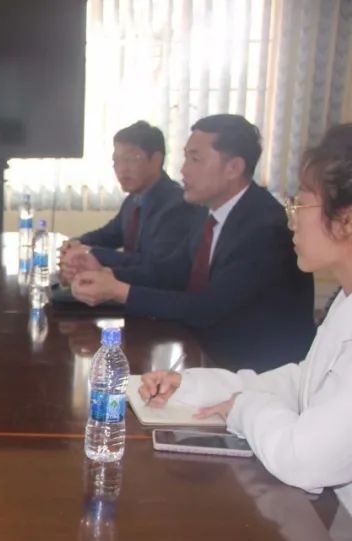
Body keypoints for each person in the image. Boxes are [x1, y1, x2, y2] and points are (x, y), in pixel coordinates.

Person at [139, 123, 352, 510]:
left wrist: (242, 408)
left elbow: (303, 460)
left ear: (346, 219)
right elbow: (304, 383)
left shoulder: (264, 229)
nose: (291, 217)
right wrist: (194, 386)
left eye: (301, 203)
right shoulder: (345, 301)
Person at [69, 114, 315, 372]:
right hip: (208, 355)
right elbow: (171, 271)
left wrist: (119, 291)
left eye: (195, 159)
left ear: (233, 168)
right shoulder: (205, 212)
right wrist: (105, 272)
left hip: (258, 372)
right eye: (186, 158)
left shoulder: (265, 228)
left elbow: (207, 307)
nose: (183, 170)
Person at [59, 120, 198, 277]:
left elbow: (153, 266)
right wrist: (75, 243)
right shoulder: (133, 200)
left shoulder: (177, 206)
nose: (122, 169)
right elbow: (108, 235)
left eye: (131, 159)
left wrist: (89, 252)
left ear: (156, 160)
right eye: (116, 161)